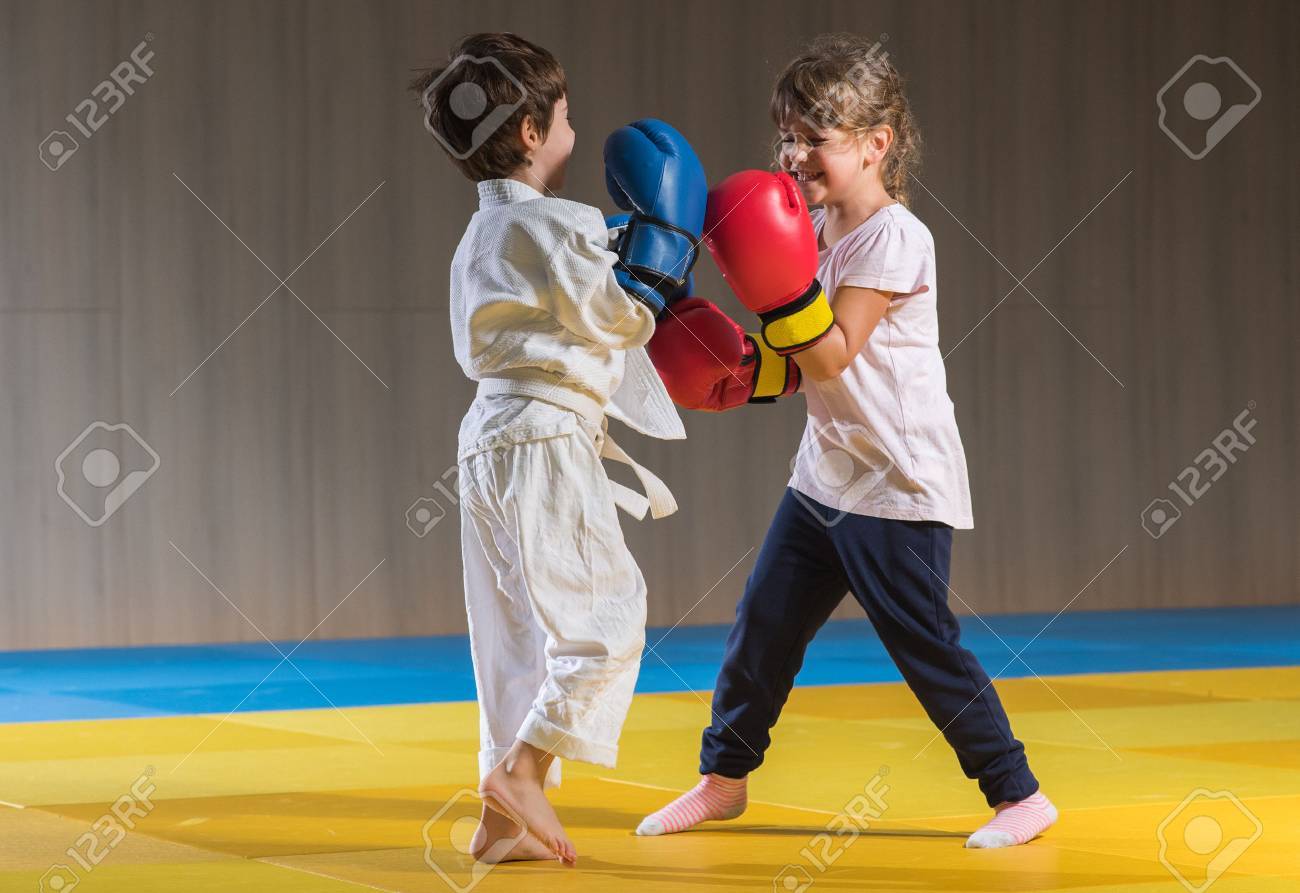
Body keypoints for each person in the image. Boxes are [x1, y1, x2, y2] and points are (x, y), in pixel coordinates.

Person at [640, 32, 1057, 849]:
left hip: (897, 484)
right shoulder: (816, 232)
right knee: (761, 626)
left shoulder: (896, 238)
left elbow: (833, 348)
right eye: (785, 137)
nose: (794, 156)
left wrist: (777, 292)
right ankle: (723, 779)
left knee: (923, 646)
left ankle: (1020, 794)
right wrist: (738, 377)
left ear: (876, 144)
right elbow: (806, 370)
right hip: (826, 475)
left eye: (813, 138)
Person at [412, 33, 704, 864]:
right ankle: (524, 770)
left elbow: (563, 293)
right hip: (543, 436)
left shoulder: (489, 233)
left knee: (510, 636)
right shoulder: (556, 224)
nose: (575, 128)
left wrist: (614, 243)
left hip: (488, 442)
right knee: (607, 620)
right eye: (566, 115)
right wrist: (659, 258)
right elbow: (616, 316)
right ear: (534, 132)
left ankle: (500, 820)